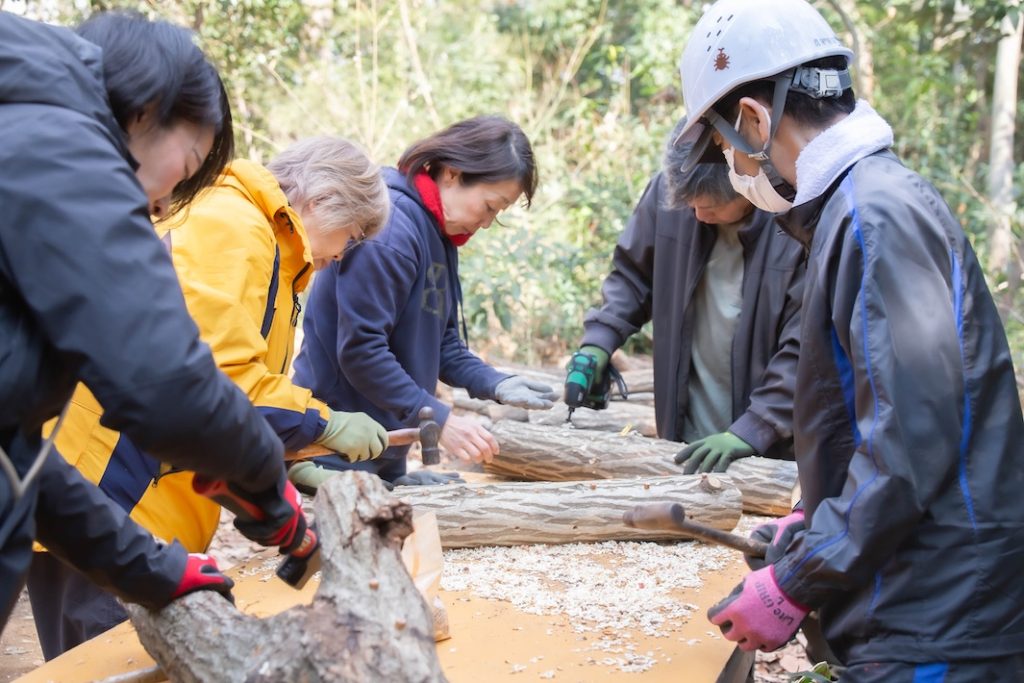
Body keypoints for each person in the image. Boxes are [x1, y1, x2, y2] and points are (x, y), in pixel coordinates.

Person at [676, 0, 1024, 678]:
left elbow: (909, 442)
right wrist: (815, 517)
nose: (734, 165)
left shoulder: (874, 217)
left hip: (940, 613)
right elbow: (871, 412)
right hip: (923, 600)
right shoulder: (857, 207)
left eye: (725, 146)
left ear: (753, 119)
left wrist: (798, 577)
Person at [0, 11, 308, 641]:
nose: (164, 204)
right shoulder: (58, 144)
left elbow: (17, 457)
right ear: (144, 111)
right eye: (187, 164)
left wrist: (153, 571)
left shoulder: (26, 141)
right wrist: (265, 483)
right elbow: (165, 387)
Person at [26, 136, 391, 658]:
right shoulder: (234, 226)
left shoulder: (266, 244)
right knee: (103, 660)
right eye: (349, 237)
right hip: (108, 495)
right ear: (322, 201)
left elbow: (236, 388)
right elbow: (210, 380)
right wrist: (323, 422)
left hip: (138, 496)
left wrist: (282, 459)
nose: (339, 257)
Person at [291, 116, 557, 489]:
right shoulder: (391, 231)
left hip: (381, 451)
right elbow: (361, 351)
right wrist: (441, 422)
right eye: (490, 206)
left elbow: (442, 343)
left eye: (498, 214)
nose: (486, 222)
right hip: (331, 451)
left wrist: (495, 383)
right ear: (452, 173)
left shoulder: (438, 236)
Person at [569, 117, 803, 475]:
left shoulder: (795, 224)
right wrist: (598, 343)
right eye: (690, 204)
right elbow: (633, 277)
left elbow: (805, 346)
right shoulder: (670, 195)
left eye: (710, 207)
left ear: (745, 179)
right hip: (682, 432)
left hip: (767, 457)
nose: (697, 214)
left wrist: (757, 427)